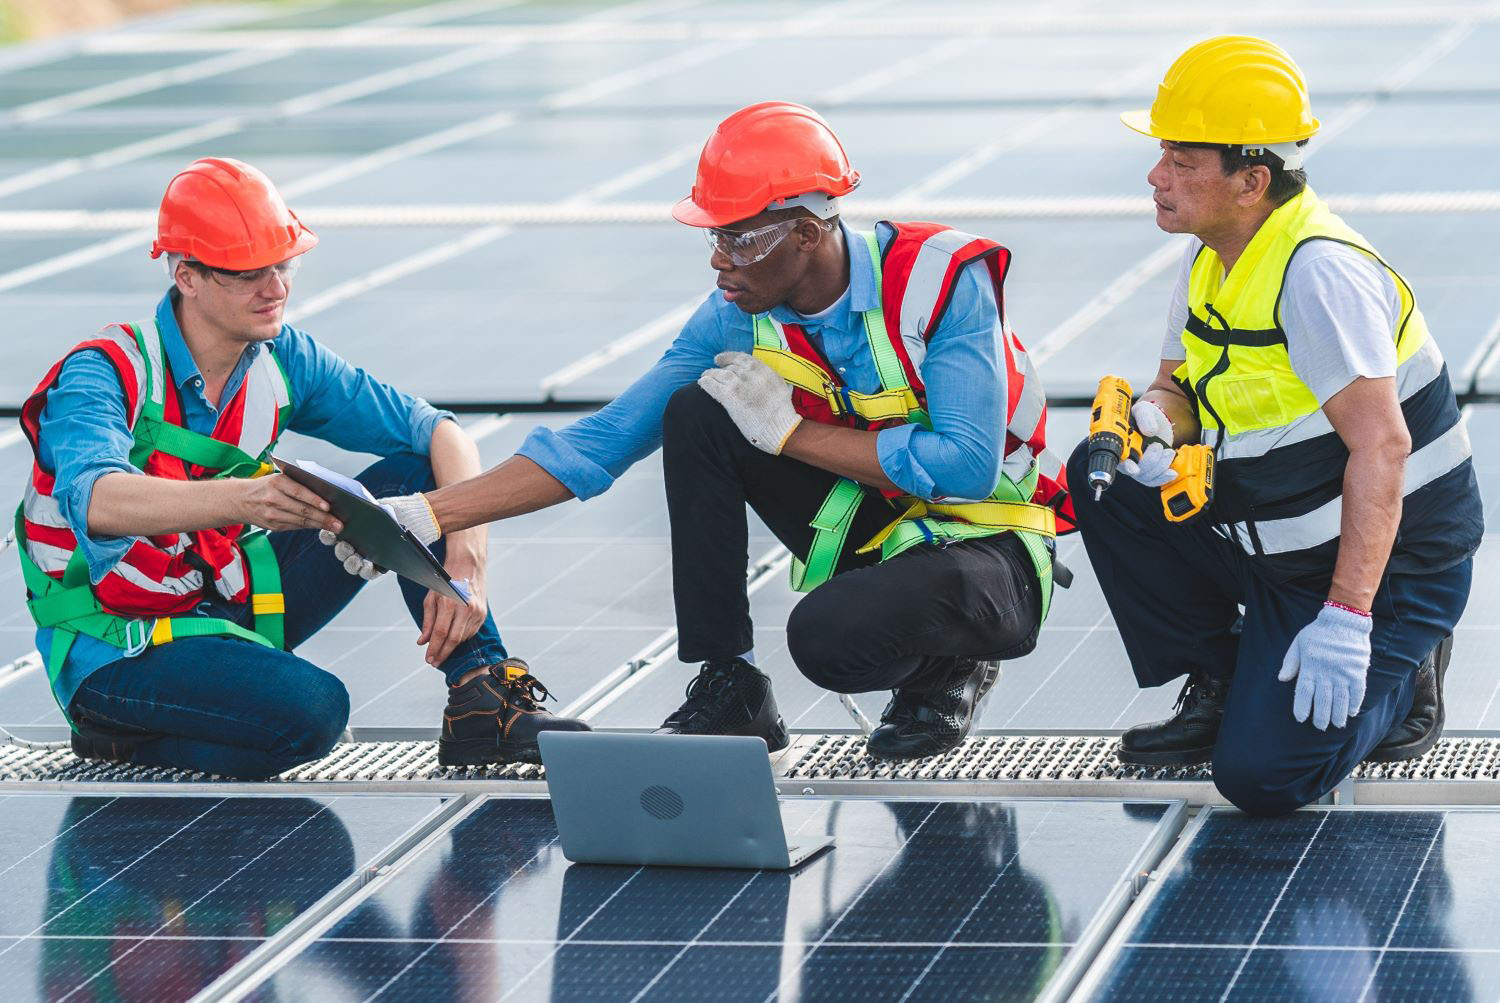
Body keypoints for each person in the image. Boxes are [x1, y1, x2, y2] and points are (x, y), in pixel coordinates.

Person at [358, 102, 1074, 760]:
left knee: (825, 640)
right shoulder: (735, 314)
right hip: (882, 530)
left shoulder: (937, 281)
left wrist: (791, 436)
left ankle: (955, 659)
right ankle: (729, 683)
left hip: (989, 551)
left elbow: (968, 466)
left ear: (805, 231)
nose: (717, 258)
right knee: (695, 412)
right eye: (713, 236)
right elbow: (601, 442)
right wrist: (417, 514)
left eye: (737, 237)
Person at [16, 157, 587, 779]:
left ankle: (483, 699)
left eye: (283, 266)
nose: (276, 289)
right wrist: (245, 500)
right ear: (188, 276)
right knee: (313, 713)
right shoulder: (103, 371)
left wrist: (468, 559)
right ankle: (118, 734)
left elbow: (440, 433)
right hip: (115, 646)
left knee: (411, 474)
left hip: (221, 607)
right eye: (248, 273)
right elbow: (99, 500)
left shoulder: (281, 355)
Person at [1068, 36, 1482, 813]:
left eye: (1183, 162)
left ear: (1253, 178)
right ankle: (1224, 679)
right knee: (1104, 478)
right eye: (1162, 154)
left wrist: (1348, 618)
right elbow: (1174, 386)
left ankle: (1408, 665)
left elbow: (1384, 447)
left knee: (1263, 777)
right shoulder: (1208, 258)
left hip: (1387, 563)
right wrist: (1154, 430)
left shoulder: (1317, 274)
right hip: (1274, 536)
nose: (1156, 176)